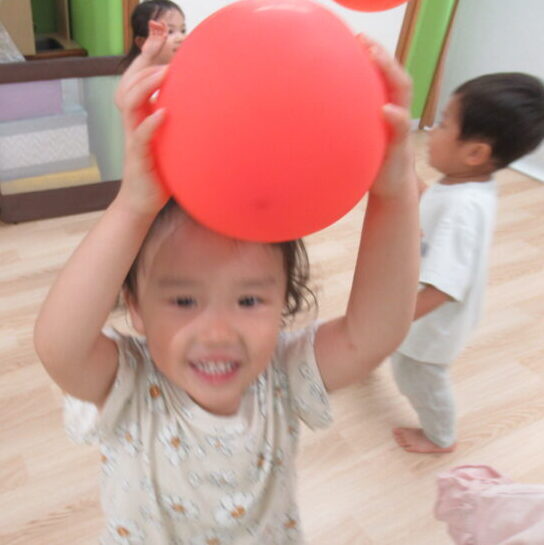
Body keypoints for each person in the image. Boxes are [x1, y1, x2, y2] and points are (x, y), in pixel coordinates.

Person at [34, 34, 419, 544]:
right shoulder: (128, 384)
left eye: (249, 300)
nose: (218, 331)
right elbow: (59, 346)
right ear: (135, 308)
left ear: (284, 303)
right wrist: (133, 206)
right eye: (183, 300)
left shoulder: (281, 376)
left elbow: (375, 333)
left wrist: (394, 191)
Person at [391, 72, 544, 454]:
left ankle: (440, 436)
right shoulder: (465, 184)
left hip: (434, 325)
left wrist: (391, 321)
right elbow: (430, 202)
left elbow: (442, 288)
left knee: (417, 376)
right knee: (394, 350)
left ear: (475, 153)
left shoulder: (463, 209)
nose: (433, 131)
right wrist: (406, 170)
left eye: (444, 123)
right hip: (420, 306)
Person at [119, 0, 186, 72]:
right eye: (170, 32)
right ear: (143, 43)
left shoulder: (185, 68)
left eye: (183, 31)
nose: (181, 38)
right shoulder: (141, 75)